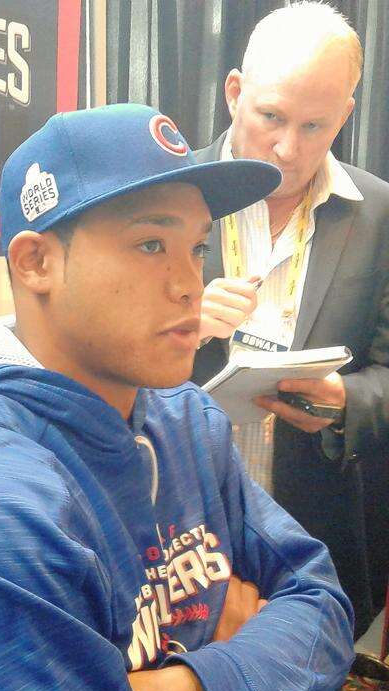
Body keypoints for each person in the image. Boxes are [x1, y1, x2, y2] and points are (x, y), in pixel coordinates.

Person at [0, 103, 353, 691]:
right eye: (151, 244)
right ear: (36, 262)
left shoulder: (186, 418)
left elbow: (322, 606)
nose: (190, 284)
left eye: (197, 247)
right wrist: (254, 685)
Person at [192, 1, 389, 638]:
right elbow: (91, 356)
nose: (287, 148)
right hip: (174, 535)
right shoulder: (164, 192)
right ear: (234, 93)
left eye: (315, 126)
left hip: (316, 539)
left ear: (346, 116)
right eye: (271, 117)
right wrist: (179, 323)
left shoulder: (379, 214)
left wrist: (344, 402)